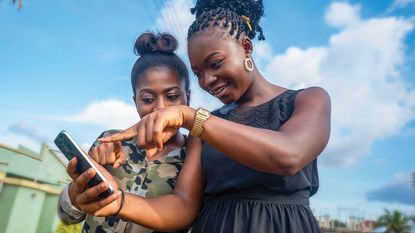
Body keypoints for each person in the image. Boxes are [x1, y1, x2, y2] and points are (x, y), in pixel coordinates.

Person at [70, 0, 331, 232]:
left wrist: (190, 117)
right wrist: (120, 202)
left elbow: (288, 155)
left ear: (246, 47)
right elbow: (183, 205)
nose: (208, 80)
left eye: (215, 64)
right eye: (198, 73)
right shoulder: (205, 128)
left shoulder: (308, 100)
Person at [57, 32, 190, 233]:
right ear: (135, 101)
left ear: (187, 98)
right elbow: (67, 218)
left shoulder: (196, 159)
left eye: (172, 96)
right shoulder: (108, 143)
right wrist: (76, 194)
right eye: (147, 99)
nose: (160, 109)